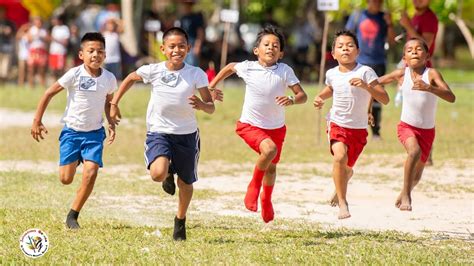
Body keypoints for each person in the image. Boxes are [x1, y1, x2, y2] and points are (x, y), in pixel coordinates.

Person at [109, 27, 215, 241]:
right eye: (172, 46)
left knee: (185, 183)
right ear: (163, 49)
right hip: (159, 131)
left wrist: (202, 105)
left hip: (186, 135)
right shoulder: (154, 70)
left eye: (182, 46)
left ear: (188, 48)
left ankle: (180, 220)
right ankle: (167, 173)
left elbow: (211, 106)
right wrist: (114, 103)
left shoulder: (196, 74)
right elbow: (130, 78)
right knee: (157, 173)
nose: (177, 50)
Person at [208, 25, 308, 223]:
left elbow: (302, 95)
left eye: (275, 45)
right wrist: (211, 86)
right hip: (250, 125)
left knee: (271, 168)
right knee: (269, 150)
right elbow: (229, 67)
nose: (271, 48)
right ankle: (254, 187)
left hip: (277, 128)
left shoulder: (285, 70)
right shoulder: (248, 67)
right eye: (266, 44)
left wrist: (292, 99)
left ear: (281, 53)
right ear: (256, 50)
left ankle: (267, 198)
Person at [30, 32, 117, 229]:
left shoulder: (109, 78)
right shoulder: (74, 74)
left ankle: (73, 216)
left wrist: (111, 121)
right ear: (81, 54)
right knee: (66, 179)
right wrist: (37, 120)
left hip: (94, 133)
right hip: (72, 132)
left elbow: (108, 101)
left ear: (105, 55)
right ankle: (76, 158)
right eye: (91, 51)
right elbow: (48, 93)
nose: (96, 55)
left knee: (91, 171)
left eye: (100, 51)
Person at [313, 30, 389, 219]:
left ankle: (344, 177)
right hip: (337, 123)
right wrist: (320, 97)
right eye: (340, 46)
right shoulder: (331, 73)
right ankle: (343, 203)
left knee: (346, 166)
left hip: (359, 128)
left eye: (350, 45)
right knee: (339, 157)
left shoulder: (365, 72)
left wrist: (366, 86)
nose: (345, 49)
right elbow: (331, 88)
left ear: (358, 51)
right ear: (333, 53)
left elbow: (384, 98)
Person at [378, 38, 455, 211]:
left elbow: (451, 97)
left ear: (427, 55)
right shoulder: (401, 74)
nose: (414, 51)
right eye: (410, 50)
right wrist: (360, 84)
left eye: (419, 49)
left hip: (427, 131)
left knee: (418, 175)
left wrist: (430, 88)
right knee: (414, 151)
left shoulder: (432, 74)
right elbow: (376, 82)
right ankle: (407, 195)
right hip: (407, 126)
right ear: (404, 57)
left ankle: (405, 191)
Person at [345, 0, 396, 140]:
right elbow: (347, 38)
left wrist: (390, 23)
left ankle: (375, 131)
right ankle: (354, 127)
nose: (378, 3)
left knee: (376, 98)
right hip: (359, 63)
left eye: (380, 0)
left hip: (378, 63)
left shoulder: (384, 17)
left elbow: (392, 41)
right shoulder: (357, 16)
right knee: (355, 95)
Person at [400, 0, 438, 67]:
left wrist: (408, 26)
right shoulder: (416, 16)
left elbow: (426, 45)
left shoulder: (429, 17)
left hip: (421, 70)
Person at [177, 0, 205, 67]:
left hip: (193, 44)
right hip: (184, 45)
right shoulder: (183, 18)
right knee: (183, 65)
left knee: (192, 65)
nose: (186, 6)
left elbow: (200, 32)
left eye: (188, 5)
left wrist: (198, 46)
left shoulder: (196, 17)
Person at [27, 16, 48, 88]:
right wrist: (34, 36)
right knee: (31, 69)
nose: (38, 23)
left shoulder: (43, 31)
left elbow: (48, 39)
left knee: (42, 69)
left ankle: (42, 84)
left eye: (39, 21)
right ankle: (31, 85)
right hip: (33, 51)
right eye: (37, 21)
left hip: (41, 51)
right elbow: (28, 40)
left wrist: (43, 36)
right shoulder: (32, 30)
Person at [0, 6, 15, 83]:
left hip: (6, 47)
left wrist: (9, 32)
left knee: (4, 68)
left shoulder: (9, 23)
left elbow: (14, 33)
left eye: (3, 12)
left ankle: (3, 83)